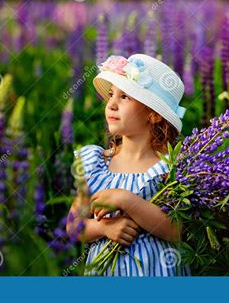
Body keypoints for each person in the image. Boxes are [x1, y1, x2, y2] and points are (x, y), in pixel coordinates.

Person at [66, 54, 190, 276]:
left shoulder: (169, 167)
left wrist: (126, 200)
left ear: (153, 115)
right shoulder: (97, 164)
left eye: (125, 97)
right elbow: (74, 226)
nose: (111, 104)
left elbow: (177, 231)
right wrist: (104, 228)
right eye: (111, 95)